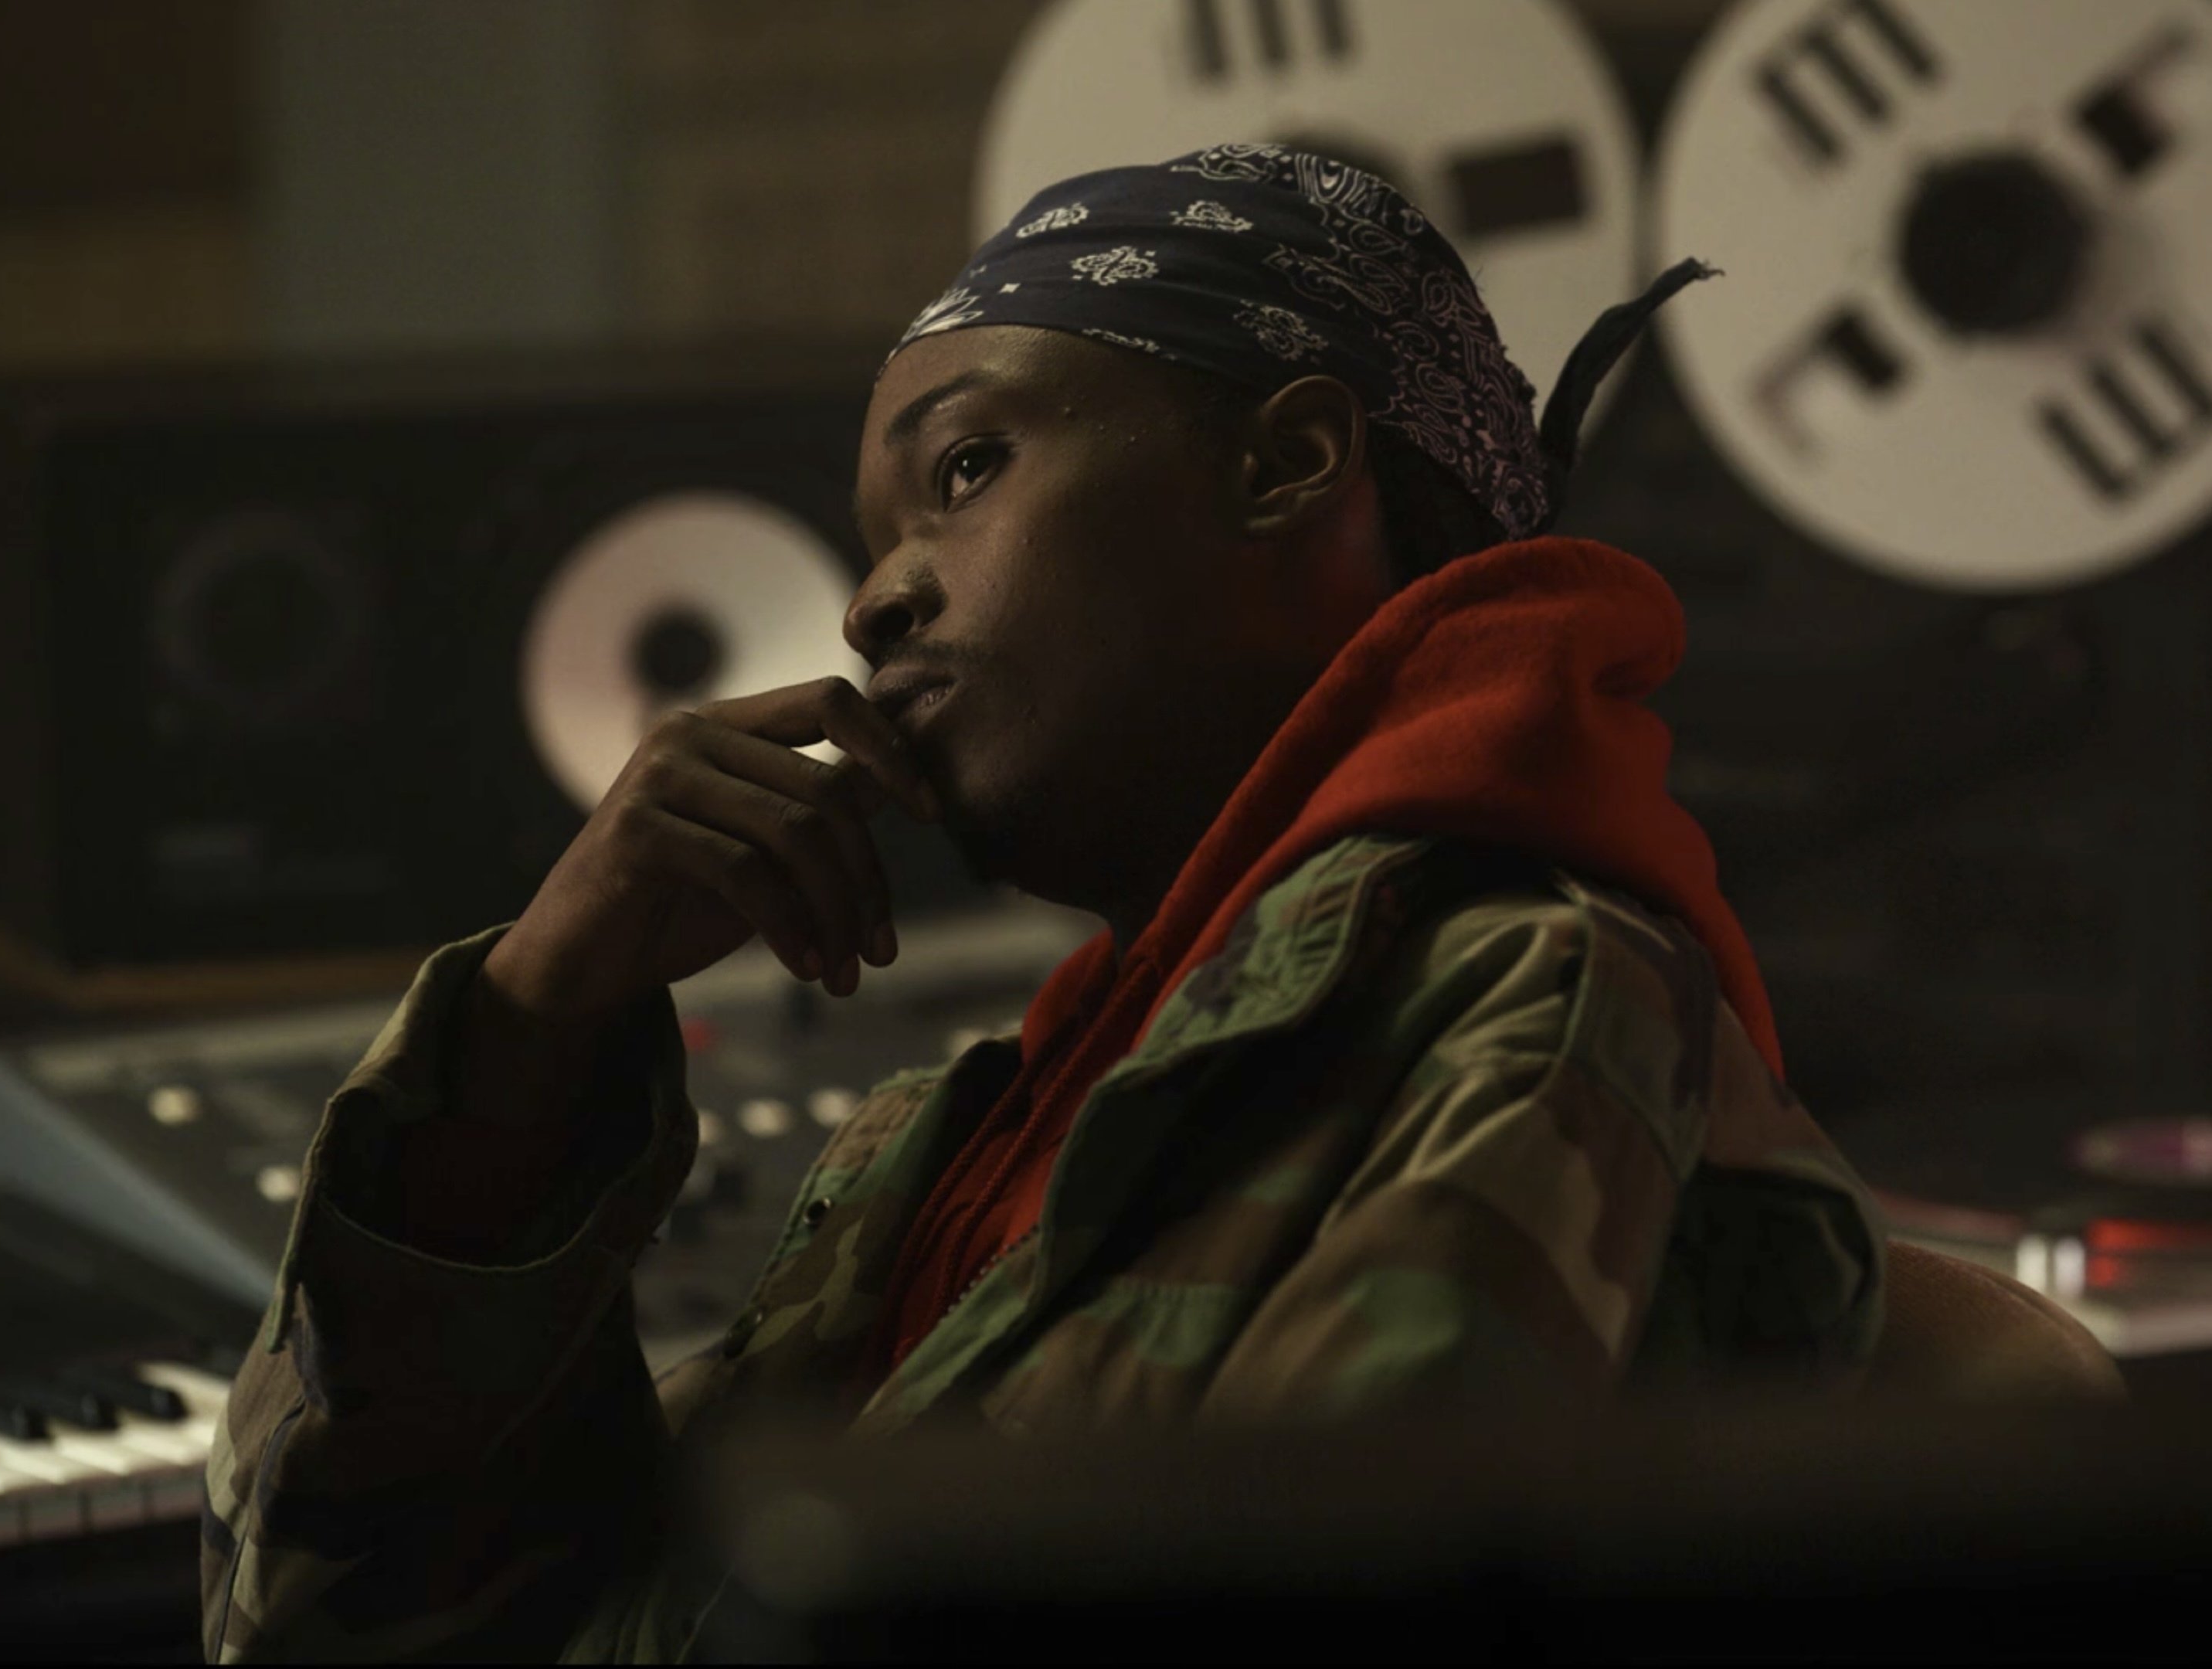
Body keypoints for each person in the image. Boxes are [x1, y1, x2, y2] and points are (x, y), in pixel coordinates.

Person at [199, 144, 1886, 1661]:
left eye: (964, 470)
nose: (871, 602)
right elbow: (323, 1633)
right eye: (876, 534)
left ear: (1288, 463)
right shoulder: (956, 1145)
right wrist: (528, 1037)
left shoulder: (1528, 996)